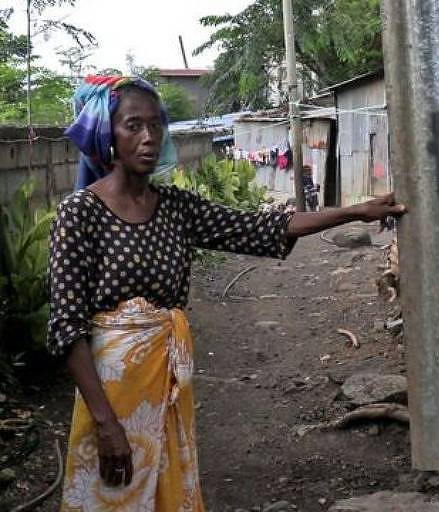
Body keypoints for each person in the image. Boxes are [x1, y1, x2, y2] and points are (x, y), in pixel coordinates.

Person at [48, 75, 406, 511]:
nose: (148, 137)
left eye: (156, 125)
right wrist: (106, 424)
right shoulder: (79, 213)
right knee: (111, 497)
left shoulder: (176, 208)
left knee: (166, 492)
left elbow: (258, 228)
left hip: (167, 382)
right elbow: (67, 328)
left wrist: (356, 211)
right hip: (111, 393)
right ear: (108, 134)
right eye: (133, 126)